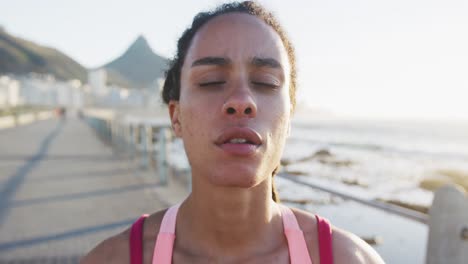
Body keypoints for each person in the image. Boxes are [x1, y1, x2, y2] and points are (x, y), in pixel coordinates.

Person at [82, 1, 385, 263]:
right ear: (176, 117)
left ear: (289, 117)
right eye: (212, 80)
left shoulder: (350, 259)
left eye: (265, 82)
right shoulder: (113, 259)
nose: (241, 101)